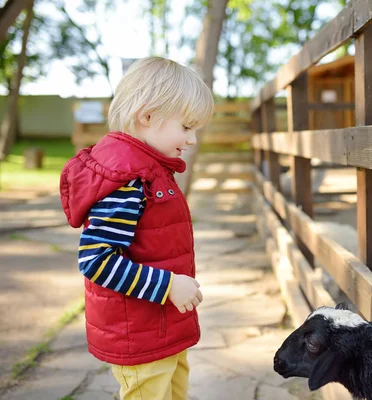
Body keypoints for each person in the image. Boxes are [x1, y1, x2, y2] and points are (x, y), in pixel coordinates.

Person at [60, 56, 214, 399]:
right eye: (186, 127)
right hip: (141, 334)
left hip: (161, 328)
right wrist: (169, 285)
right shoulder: (128, 180)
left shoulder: (151, 170)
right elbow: (96, 259)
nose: (191, 140)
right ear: (147, 116)